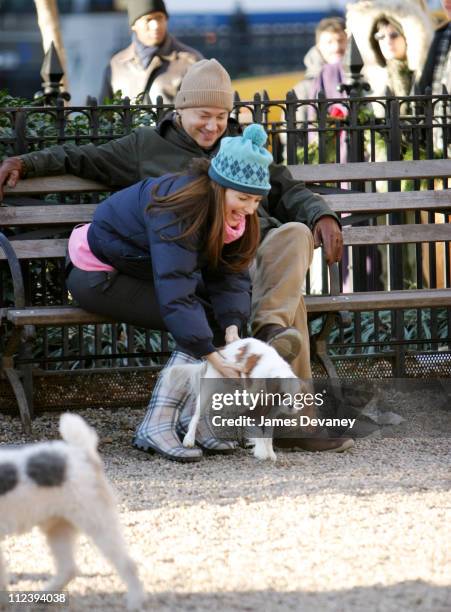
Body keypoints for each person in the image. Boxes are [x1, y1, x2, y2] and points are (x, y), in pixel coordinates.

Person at [0, 58, 351, 453]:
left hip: (233, 261)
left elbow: (285, 189)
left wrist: (321, 212)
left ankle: (268, 333)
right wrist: (24, 163)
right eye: (203, 115)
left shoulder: (240, 148)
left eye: (221, 116)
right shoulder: (147, 149)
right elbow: (81, 157)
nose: (213, 125)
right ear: (180, 109)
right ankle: (287, 413)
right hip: (183, 264)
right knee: (247, 309)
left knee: (294, 234)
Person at [66, 124, 270, 461]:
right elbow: (176, 290)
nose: (250, 208)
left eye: (257, 199)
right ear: (220, 186)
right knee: (200, 322)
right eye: (244, 198)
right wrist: (213, 355)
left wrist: (232, 329)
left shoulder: (233, 216)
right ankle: (156, 424)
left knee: (216, 320)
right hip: (96, 272)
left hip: (139, 269)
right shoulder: (178, 207)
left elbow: (231, 276)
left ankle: (195, 421)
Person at [99, 0, 203, 104]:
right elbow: (104, 116)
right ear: (133, 25)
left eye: (160, 17)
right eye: (148, 20)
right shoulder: (117, 65)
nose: (156, 26)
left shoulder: (191, 61)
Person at [346, 0, 433, 101]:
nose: (387, 41)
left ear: (408, 37)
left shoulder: (425, 73)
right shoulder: (374, 82)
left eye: (394, 35)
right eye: (380, 36)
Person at [291, 17, 348, 124]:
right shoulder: (304, 88)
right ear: (319, 47)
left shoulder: (362, 79)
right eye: (329, 42)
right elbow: (292, 133)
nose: (336, 47)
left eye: (341, 40)